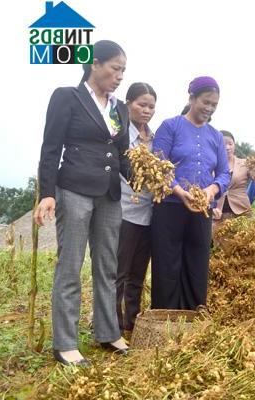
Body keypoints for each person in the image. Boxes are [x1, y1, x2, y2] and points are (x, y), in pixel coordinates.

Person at [34, 40, 130, 366]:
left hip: (109, 195)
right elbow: (51, 147)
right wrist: (47, 193)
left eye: (123, 71)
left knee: (107, 267)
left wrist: (150, 181)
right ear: (94, 64)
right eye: (115, 68)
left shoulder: (120, 108)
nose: (119, 76)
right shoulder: (68, 97)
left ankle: (107, 332)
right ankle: (65, 343)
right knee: (70, 266)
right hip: (74, 189)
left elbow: (123, 155)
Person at [151, 76, 230, 311]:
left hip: (201, 208)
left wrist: (212, 189)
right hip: (171, 206)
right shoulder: (170, 126)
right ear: (192, 98)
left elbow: (224, 173)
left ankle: (193, 317)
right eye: (205, 102)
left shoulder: (215, 136)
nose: (209, 108)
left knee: (197, 263)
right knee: (167, 263)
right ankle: (164, 318)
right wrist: (178, 190)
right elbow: (158, 165)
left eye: (214, 104)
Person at [115, 82, 157, 338]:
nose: (147, 110)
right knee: (119, 272)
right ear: (128, 103)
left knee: (138, 274)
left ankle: (131, 323)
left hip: (149, 212)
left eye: (151, 106)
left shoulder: (154, 139)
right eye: (142, 104)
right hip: (123, 210)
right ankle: (111, 325)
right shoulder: (119, 135)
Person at [212, 131, 252, 229]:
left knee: (244, 242)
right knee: (220, 243)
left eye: (230, 143)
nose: (227, 147)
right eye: (223, 144)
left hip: (242, 212)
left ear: (234, 145)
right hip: (218, 213)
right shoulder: (211, 164)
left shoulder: (245, 163)